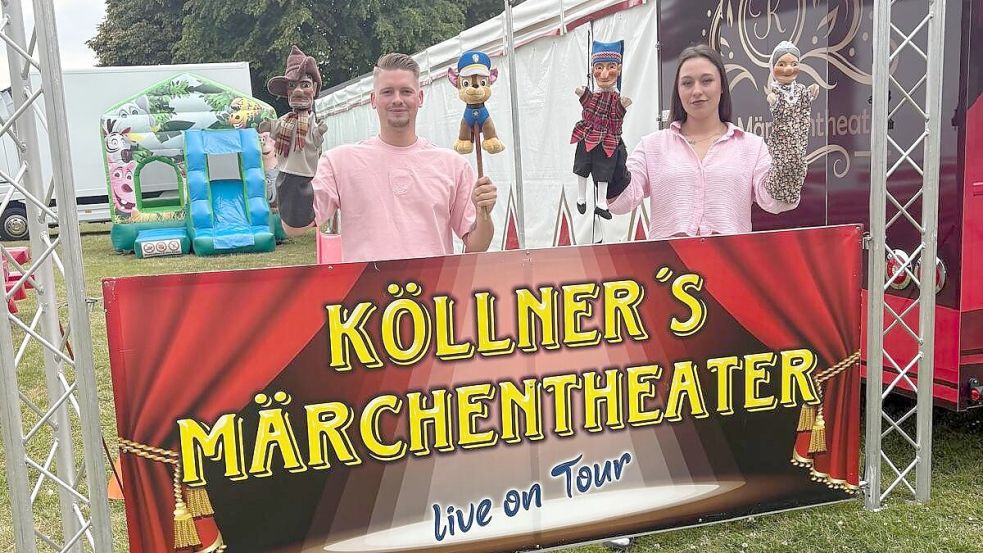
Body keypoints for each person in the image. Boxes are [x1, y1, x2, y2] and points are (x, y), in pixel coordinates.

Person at [281, 53, 497, 262]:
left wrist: (483, 213)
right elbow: (295, 227)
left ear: (419, 97)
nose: (397, 100)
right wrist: (294, 167)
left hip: (434, 295)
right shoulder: (339, 162)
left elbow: (476, 245)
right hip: (366, 297)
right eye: (387, 92)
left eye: (406, 91)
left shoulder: (453, 166)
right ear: (373, 99)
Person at [605, 44, 803, 236]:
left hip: (731, 265)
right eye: (687, 83)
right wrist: (609, 146)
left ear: (722, 86)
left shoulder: (752, 147)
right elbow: (621, 202)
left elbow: (777, 201)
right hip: (671, 267)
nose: (696, 91)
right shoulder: (651, 146)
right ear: (678, 90)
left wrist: (790, 138)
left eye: (706, 81)